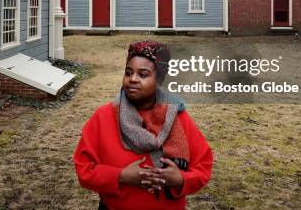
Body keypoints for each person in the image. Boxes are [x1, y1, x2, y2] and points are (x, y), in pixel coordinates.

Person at [73, 40, 213, 210]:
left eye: (143, 74)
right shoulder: (103, 117)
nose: (133, 79)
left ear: (159, 80)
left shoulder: (178, 117)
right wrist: (121, 176)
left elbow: (203, 167)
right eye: (128, 72)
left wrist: (181, 179)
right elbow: (84, 170)